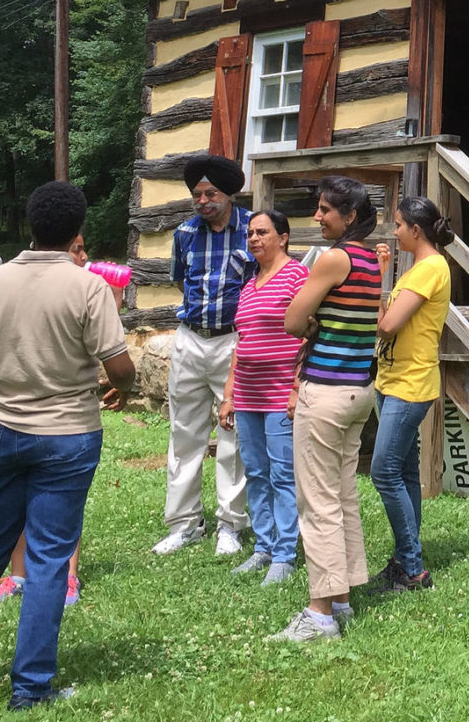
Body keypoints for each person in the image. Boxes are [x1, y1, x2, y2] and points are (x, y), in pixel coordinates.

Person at [0, 181, 137, 710]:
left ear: (31, 224)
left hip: (2, 430)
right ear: (76, 232)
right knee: (48, 560)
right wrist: (119, 385)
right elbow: (120, 368)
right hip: (67, 435)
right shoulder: (87, 286)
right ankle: (30, 689)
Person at [269, 177, 386, 643]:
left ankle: (319, 613)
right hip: (360, 392)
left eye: (324, 210)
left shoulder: (334, 258)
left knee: (316, 503)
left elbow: (293, 320)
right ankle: (342, 598)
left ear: (349, 217)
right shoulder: (370, 261)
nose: (317, 217)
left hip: (326, 394)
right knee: (342, 496)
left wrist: (313, 319)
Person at [154, 153, 252, 557]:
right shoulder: (185, 233)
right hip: (191, 338)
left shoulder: (252, 229)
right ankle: (184, 523)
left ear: (228, 193)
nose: (202, 200)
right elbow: (181, 280)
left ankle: (230, 524)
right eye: (197, 194)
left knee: (232, 435)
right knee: (184, 432)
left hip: (234, 340)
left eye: (210, 193)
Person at [0, 233, 96, 610]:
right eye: (77, 249)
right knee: (19, 503)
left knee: (65, 507)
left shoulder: (86, 290)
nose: (84, 256)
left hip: (67, 422)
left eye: (84, 249)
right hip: (17, 416)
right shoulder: (22, 285)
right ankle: (18, 574)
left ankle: (68, 576)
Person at [366, 195, 454, 597]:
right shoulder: (418, 267)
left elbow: (387, 326)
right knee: (402, 473)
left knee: (384, 472)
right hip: (393, 381)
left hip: (409, 385)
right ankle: (405, 561)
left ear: (416, 230)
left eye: (399, 225)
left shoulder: (430, 268)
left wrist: (381, 304)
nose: (394, 231)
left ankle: (413, 569)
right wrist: (386, 276)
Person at [217, 209, 308, 585]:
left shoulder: (297, 276)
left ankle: (286, 554)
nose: (254, 239)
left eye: (262, 232)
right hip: (249, 394)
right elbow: (243, 343)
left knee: (283, 474)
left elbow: (309, 334)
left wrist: (296, 388)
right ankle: (263, 547)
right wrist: (229, 395)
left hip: (279, 394)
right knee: (255, 472)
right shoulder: (250, 284)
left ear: (283, 237)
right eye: (250, 233)